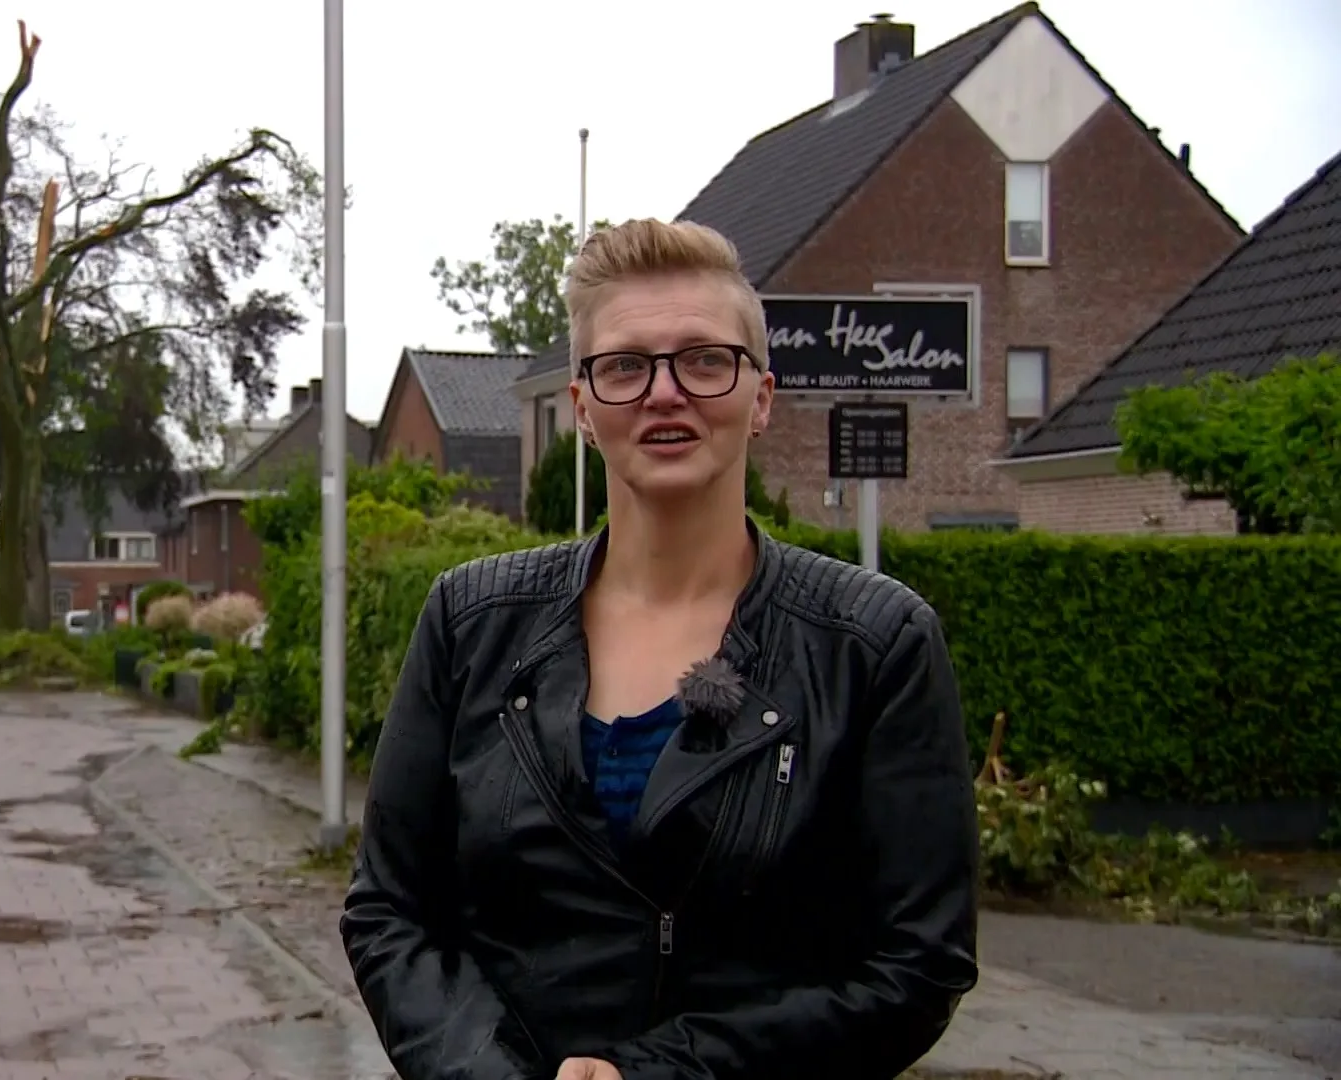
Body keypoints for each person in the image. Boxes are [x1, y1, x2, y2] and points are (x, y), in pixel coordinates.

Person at [341, 219, 978, 1080]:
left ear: (761, 397)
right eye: (626, 365)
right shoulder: (470, 621)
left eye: (705, 360)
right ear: (582, 408)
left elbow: (918, 964)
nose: (665, 392)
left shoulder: (874, 645)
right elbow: (390, 910)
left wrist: (663, 1072)